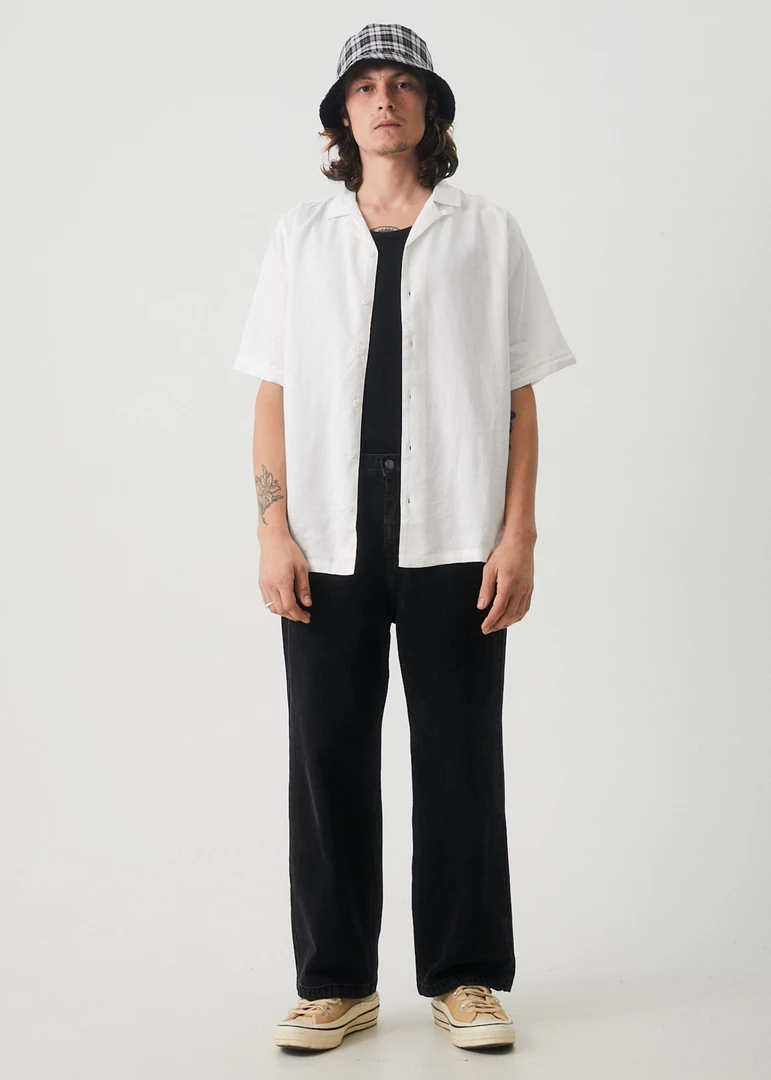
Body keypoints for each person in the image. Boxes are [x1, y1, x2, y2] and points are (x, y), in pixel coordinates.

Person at [233, 23, 577, 1052]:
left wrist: (517, 535)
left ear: (430, 107)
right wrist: (272, 531)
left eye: (403, 84)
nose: (384, 100)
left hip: (456, 533)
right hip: (327, 542)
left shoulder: (487, 232)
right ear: (342, 115)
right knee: (326, 760)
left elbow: (519, 396)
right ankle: (335, 983)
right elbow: (271, 394)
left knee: (461, 758)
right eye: (365, 87)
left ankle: (466, 978)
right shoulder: (301, 235)